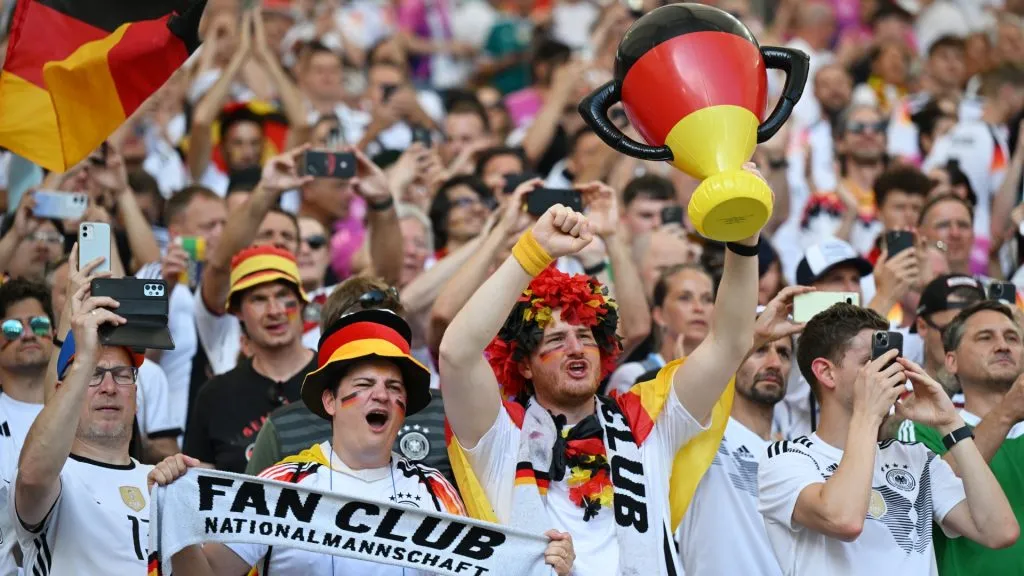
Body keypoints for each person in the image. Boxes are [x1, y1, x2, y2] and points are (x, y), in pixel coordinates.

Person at [439, 166, 767, 575]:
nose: (576, 348)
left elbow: (729, 343)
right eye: (556, 340)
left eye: (587, 337)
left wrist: (744, 239)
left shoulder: (649, 419)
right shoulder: (499, 435)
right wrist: (531, 253)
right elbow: (456, 353)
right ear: (522, 364)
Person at [150, 308, 575, 575]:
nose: (382, 396)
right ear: (331, 401)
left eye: (394, 388)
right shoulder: (284, 483)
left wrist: (546, 563)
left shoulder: (434, 490)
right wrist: (179, 514)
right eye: (366, 384)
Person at [758, 302, 1019, 575]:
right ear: (826, 372)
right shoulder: (786, 459)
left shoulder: (914, 458)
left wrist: (950, 423)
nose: (888, 373)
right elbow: (844, 520)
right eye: (872, 362)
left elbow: (999, 531)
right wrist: (867, 414)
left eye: (891, 361)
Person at [245, 275, 453, 483]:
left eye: (388, 330)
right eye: (357, 335)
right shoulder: (283, 428)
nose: (376, 343)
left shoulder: (446, 414)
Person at [11, 274, 150, 574]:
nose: (109, 388)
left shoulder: (162, 481)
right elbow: (32, 476)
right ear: (64, 394)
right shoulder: (57, 478)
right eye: (93, 374)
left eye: (122, 374)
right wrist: (84, 357)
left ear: (136, 394)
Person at [677, 286, 809, 576]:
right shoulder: (702, 432)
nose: (774, 363)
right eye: (760, 350)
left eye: (784, 353)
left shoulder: (798, 455)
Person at [899, 301, 1024, 575]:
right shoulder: (923, 426)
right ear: (951, 361)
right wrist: (1006, 412)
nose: (1003, 345)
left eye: (1012, 337)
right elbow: (927, 496)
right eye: (985, 337)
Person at [184, 245, 316, 472]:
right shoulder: (214, 396)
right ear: (237, 311)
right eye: (259, 299)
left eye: (283, 296)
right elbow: (198, 486)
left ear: (302, 302)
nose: (275, 310)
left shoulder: (338, 378)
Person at [0, 279, 55, 576]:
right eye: (12, 328)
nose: (29, 334)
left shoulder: (85, 412)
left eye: (39, 324)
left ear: (56, 334)